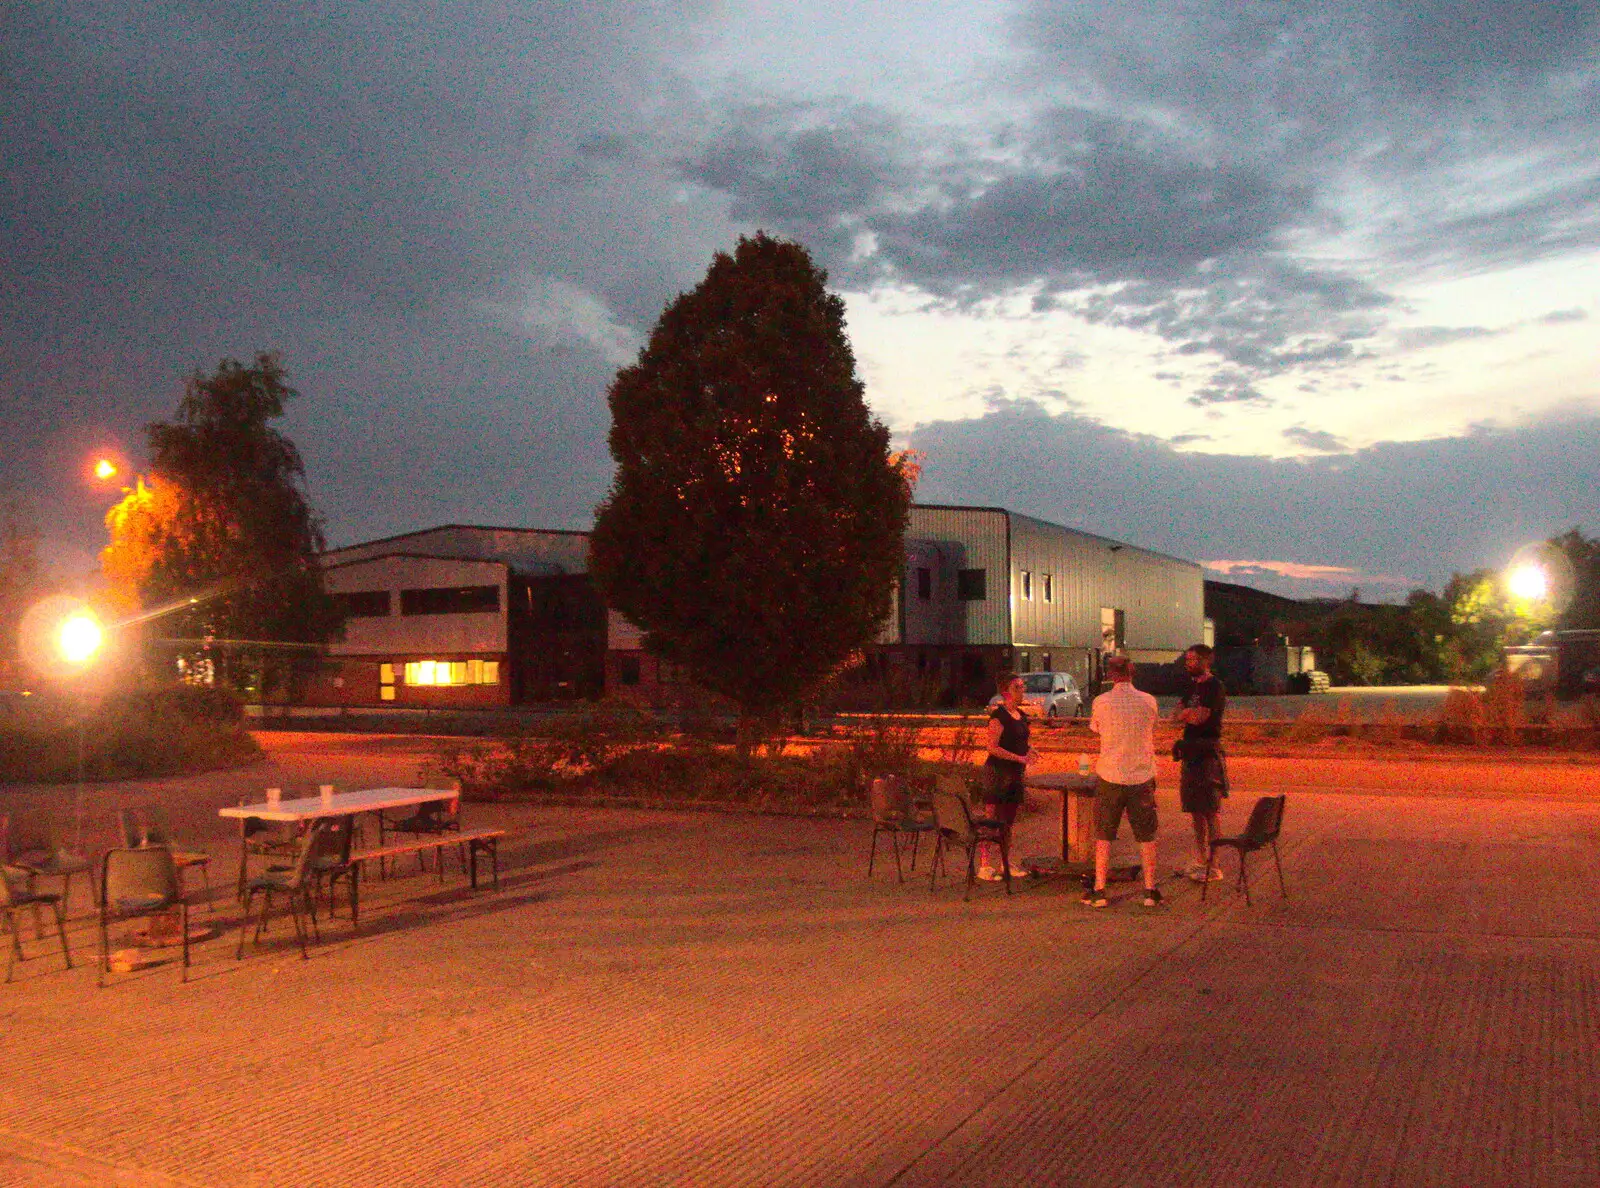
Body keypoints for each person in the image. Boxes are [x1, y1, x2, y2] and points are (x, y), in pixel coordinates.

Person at [1081, 655, 1162, 908]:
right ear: (1132, 672)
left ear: (1110, 674)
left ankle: (1100, 889)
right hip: (1141, 774)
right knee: (1146, 834)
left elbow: (1096, 728)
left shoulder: (1101, 702)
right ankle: (1149, 890)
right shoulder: (1148, 701)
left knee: (1104, 834)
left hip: (1111, 774)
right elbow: (1152, 727)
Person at [1174, 643, 1228, 882]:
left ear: (1206, 661)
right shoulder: (1190, 687)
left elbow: (1200, 718)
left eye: (1193, 659)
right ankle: (1200, 859)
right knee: (1194, 810)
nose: (1188, 663)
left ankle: (1214, 865)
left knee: (1210, 810)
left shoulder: (1214, 687)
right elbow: (1175, 716)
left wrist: (1188, 713)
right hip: (1190, 754)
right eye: (1187, 659)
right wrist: (1187, 713)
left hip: (1207, 755)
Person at [979, 672, 1033, 881]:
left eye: (1022, 686)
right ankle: (985, 864)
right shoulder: (998, 716)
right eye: (1017, 687)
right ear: (1005, 692)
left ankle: (1004, 861)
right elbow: (992, 747)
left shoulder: (1022, 716)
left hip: (1015, 774)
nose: (1022, 691)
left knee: (1008, 820)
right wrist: (1018, 758)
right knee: (991, 817)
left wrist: (1030, 751)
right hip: (997, 773)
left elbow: (1021, 741)